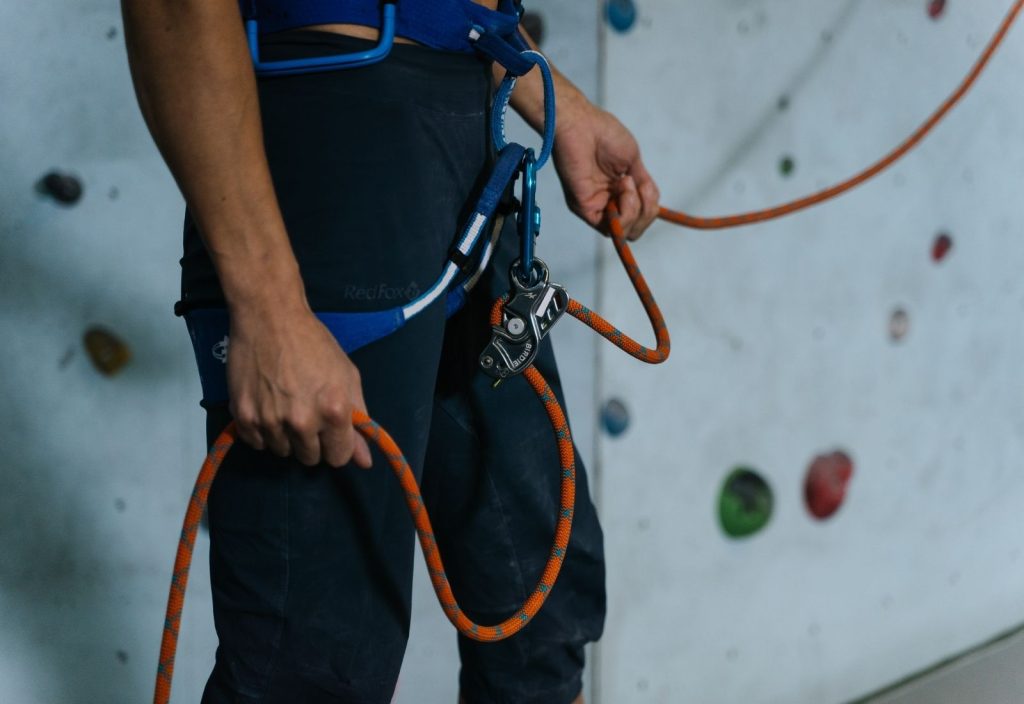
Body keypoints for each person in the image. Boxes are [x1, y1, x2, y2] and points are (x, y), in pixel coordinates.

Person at [122, 0, 659, 702]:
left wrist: (558, 100)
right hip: (335, 143)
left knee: (540, 600)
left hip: (465, 128)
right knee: (313, 664)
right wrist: (269, 306)